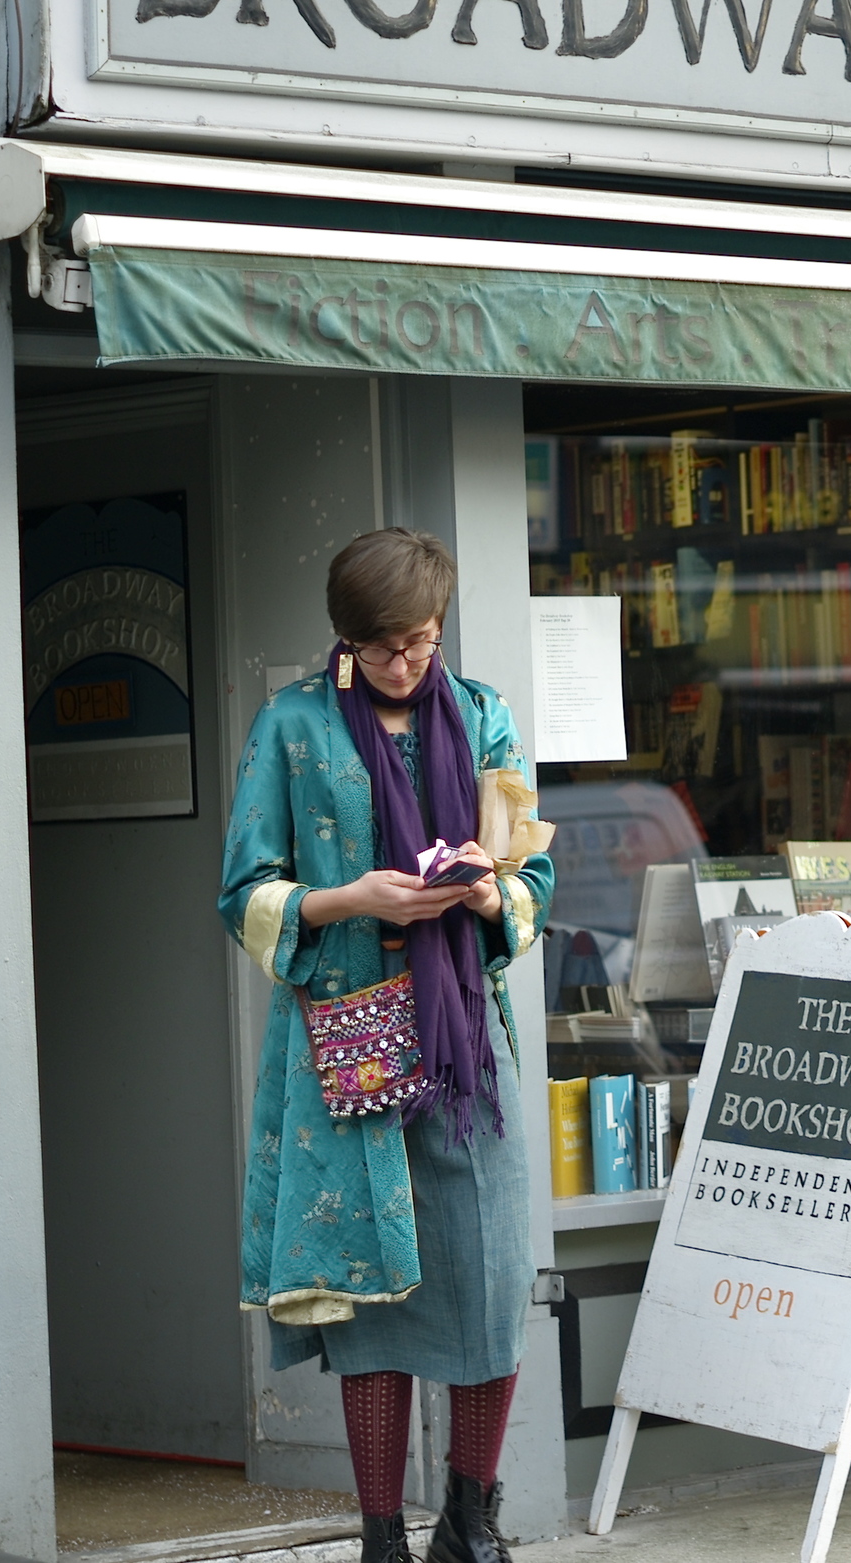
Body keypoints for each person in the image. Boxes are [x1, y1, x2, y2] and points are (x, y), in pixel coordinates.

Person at [220, 529, 555, 1563]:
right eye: (382, 649)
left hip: (466, 1045)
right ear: (346, 638)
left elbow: (535, 877)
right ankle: (379, 1539)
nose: (405, 664)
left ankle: (471, 1520)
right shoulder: (292, 726)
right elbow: (243, 893)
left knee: (493, 1280)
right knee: (368, 1293)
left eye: (419, 641)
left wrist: (494, 887)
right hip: (347, 1046)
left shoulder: (485, 712)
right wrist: (349, 897)